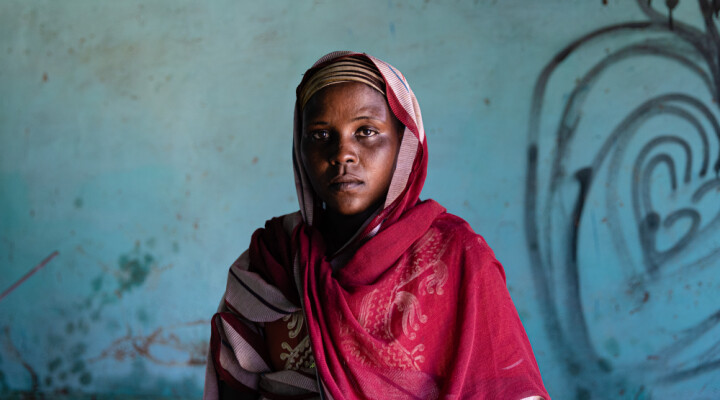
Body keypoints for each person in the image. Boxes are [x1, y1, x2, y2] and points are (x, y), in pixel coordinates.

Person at [203, 51, 550, 400]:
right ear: (300, 147)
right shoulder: (270, 263)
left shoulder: (459, 258)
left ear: (405, 144)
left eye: (366, 132)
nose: (343, 154)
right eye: (321, 135)